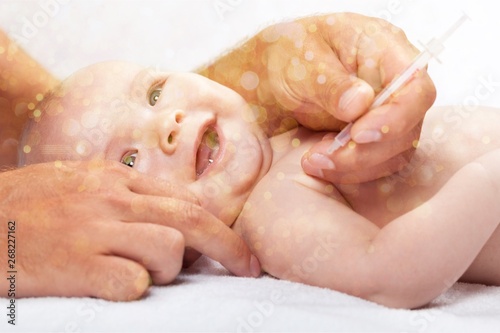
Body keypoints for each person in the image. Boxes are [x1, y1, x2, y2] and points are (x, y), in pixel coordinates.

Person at [1, 13, 436, 301]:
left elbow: (50, 124)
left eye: (155, 92)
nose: (167, 122)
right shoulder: (278, 212)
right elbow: (393, 274)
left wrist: (255, 76)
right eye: (128, 163)